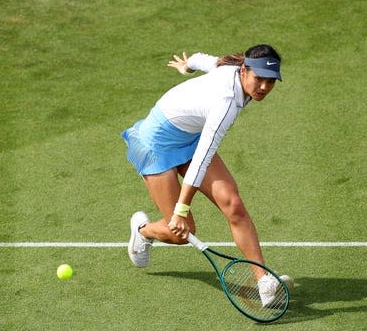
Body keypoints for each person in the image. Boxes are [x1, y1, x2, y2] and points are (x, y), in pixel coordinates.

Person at [122, 44, 284, 306]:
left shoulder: (233, 68)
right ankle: (143, 232)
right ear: (244, 70)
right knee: (180, 234)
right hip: (157, 144)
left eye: (270, 81)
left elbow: (202, 59)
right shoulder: (226, 104)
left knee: (233, 204)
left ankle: (263, 282)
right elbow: (201, 159)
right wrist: (181, 210)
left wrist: (188, 65)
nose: (264, 87)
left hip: (189, 137)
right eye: (259, 79)